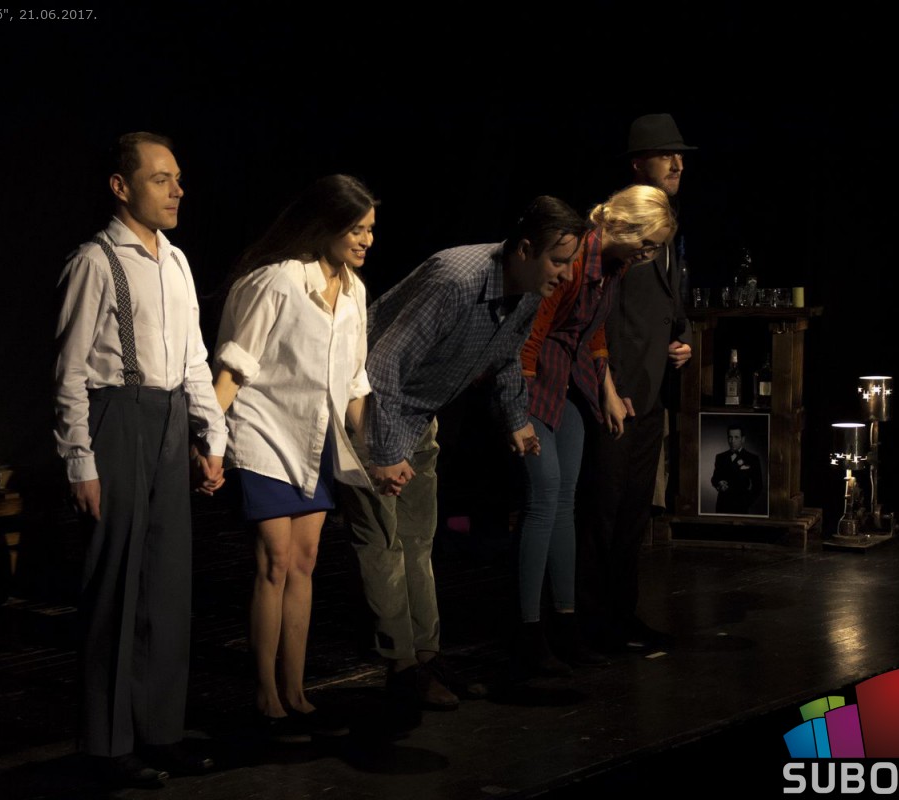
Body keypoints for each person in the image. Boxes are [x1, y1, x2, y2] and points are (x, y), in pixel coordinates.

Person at [338, 196, 590, 709]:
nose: (566, 275)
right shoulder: (457, 279)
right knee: (384, 547)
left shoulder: (527, 291)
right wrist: (383, 450)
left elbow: (507, 358)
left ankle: (426, 657)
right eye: (559, 261)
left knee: (418, 544)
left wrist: (517, 421)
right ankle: (402, 667)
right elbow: (383, 366)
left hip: (420, 416)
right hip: (369, 414)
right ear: (524, 249)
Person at [54, 132, 226, 788]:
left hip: (170, 420)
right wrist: (81, 460)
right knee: (116, 587)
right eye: (161, 179)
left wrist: (211, 437)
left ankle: (161, 732)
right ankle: (106, 745)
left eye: (177, 178)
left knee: (166, 586)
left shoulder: (176, 262)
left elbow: (194, 358)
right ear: (121, 187)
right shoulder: (95, 261)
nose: (177, 190)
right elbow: (70, 372)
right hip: (118, 419)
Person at [212, 175, 377, 742]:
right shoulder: (280, 280)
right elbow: (235, 365)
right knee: (275, 560)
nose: (366, 240)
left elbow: (353, 382)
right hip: (263, 430)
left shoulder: (354, 292)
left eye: (370, 230)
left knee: (305, 560)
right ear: (326, 226)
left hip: (314, 436)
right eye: (356, 229)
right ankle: (265, 690)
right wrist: (209, 439)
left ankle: (296, 687)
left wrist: (375, 450)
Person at [516, 185, 676, 676]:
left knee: (565, 502)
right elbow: (530, 334)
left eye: (655, 248)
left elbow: (596, 329)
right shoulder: (573, 257)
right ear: (621, 226)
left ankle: (567, 628)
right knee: (544, 500)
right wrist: (517, 412)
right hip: (534, 379)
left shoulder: (614, 265)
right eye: (645, 243)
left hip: (569, 379)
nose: (648, 255)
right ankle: (529, 634)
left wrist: (606, 388)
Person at [579, 113, 695, 654]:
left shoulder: (667, 229)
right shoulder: (622, 233)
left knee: (633, 514)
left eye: (680, 155)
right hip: (615, 393)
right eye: (665, 154)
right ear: (636, 164)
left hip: (650, 392)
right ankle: (589, 620)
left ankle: (622, 614)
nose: (677, 163)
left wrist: (683, 338)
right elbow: (596, 319)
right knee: (601, 510)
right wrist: (608, 386)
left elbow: (672, 303)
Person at [711, 425, 763, 514]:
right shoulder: (720, 457)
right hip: (722, 505)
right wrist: (718, 483)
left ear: (743, 439)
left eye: (736, 437)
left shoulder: (752, 458)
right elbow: (714, 478)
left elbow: (758, 486)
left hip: (740, 507)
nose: (732, 441)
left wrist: (746, 502)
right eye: (730, 437)